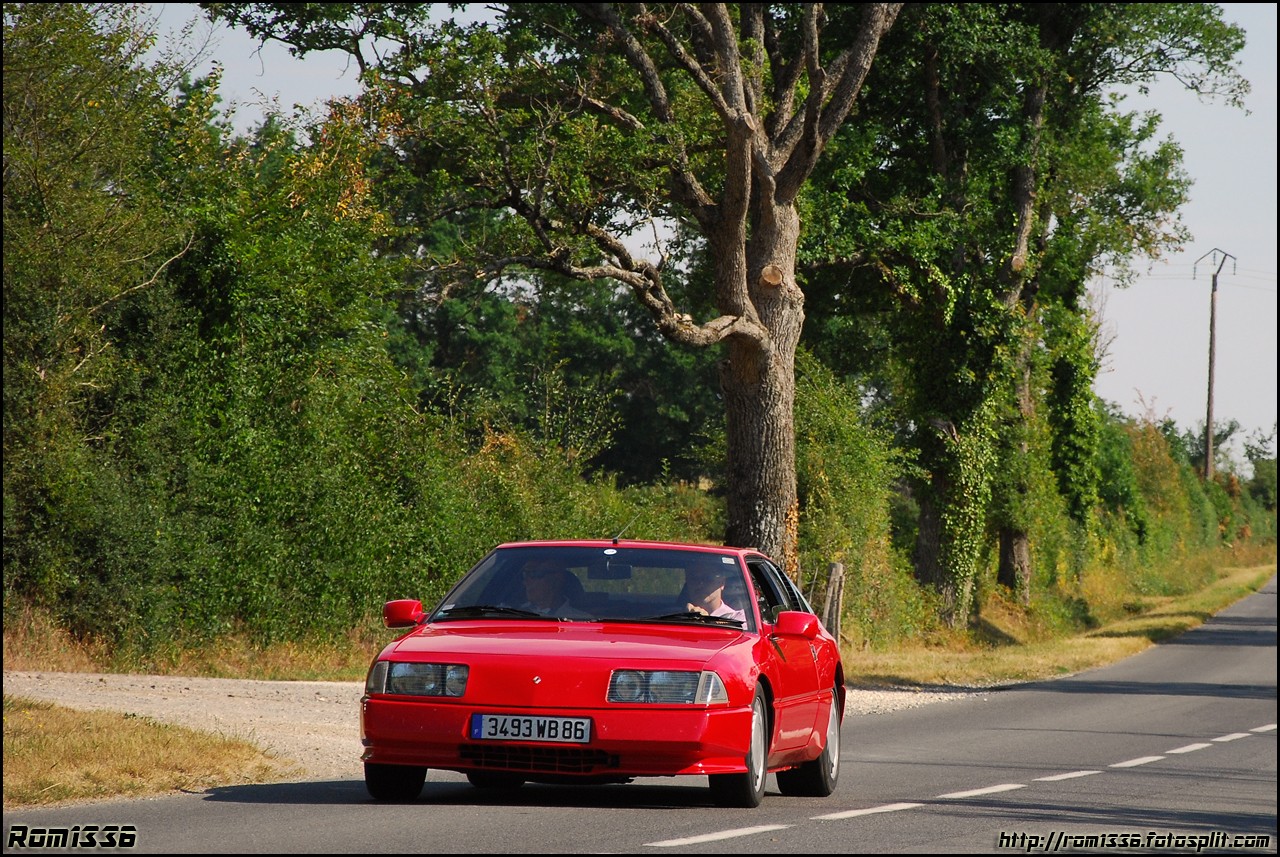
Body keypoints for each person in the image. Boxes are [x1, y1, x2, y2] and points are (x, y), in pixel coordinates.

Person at [517, 558, 590, 618]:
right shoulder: (514, 613)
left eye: (534, 574)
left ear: (556, 579)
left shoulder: (581, 619)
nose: (526, 582)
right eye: (524, 576)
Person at [682, 561, 747, 624]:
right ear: (687, 582)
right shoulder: (674, 617)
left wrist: (705, 621)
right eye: (694, 579)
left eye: (707, 579)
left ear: (722, 583)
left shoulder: (736, 619)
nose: (700, 584)